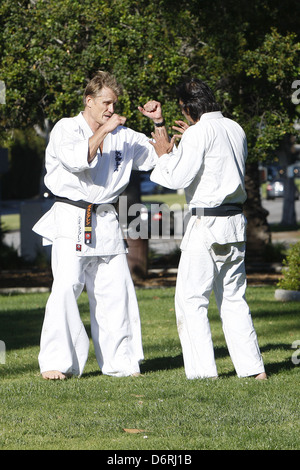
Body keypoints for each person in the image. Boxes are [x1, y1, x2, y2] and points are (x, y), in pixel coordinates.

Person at [33, 70, 166, 380]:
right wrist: (106, 129)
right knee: (66, 287)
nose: (111, 109)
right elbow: (80, 160)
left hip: (105, 218)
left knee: (115, 291)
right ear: (88, 101)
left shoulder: (124, 135)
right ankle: (57, 363)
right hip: (71, 217)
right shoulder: (66, 129)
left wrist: (158, 123)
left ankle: (121, 362)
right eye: (106, 103)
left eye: (114, 103)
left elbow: (162, 157)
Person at [150, 78, 267, 380]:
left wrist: (164, 152)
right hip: (233, 223)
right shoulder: (235, 128)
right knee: (233, 298)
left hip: (207, 222)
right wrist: (190, 140)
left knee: (191, 299)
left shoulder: (199, 132)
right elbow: (215, 164)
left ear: (186, 108)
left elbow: (176, 178)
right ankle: (254, 370)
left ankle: (203, 374)